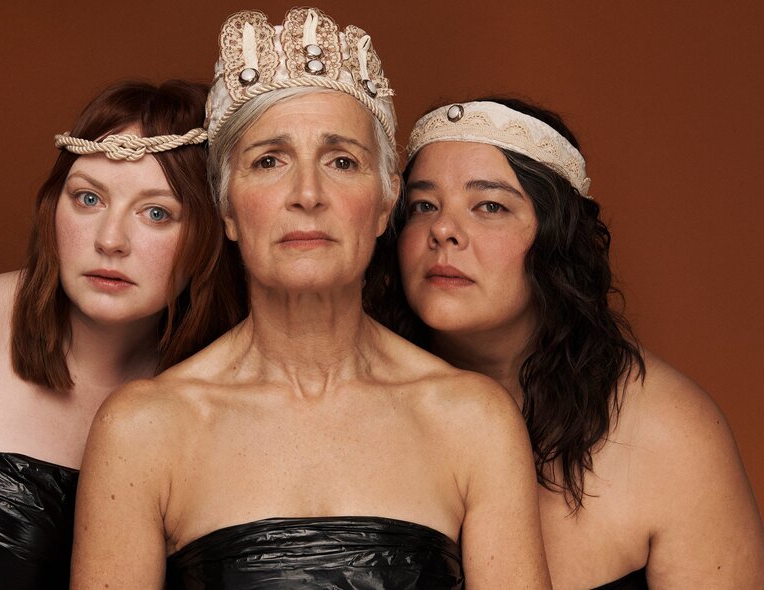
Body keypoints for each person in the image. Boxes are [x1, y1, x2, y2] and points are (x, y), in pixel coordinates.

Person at [71, 8, 550, 590]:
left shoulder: (474, 421)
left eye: (341, 161)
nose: (306, 194)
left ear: (382, 205)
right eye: (269, 161)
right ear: (225, 209)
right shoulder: (144, 428)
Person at [377, 97, 764, 588]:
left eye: (490, 206)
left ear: (557, 239)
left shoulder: (672, 432)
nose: (444, 230)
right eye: (423, 205)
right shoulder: (349, 404)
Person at [0, 79, 244, 589]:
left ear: (215, 233)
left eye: (157, 212)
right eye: (89, 198)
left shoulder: (229, 399)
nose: (110, 240)